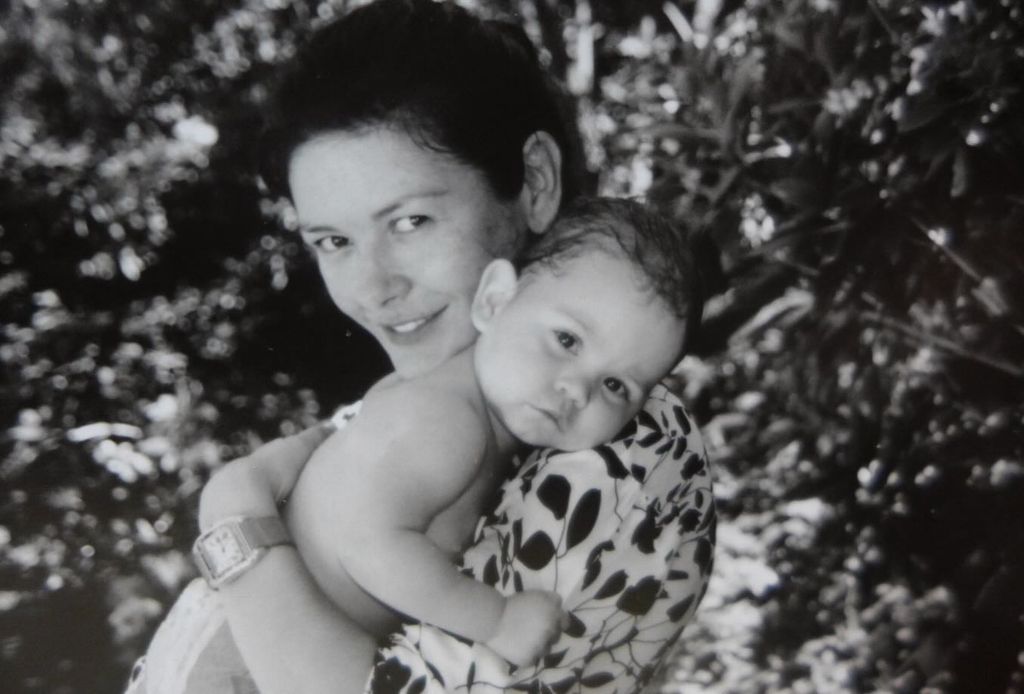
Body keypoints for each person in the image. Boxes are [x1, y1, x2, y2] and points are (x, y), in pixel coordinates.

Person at [125, 1, 716, 692]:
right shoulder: (453, 397)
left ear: (535, 182)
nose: (372, 288)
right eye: (333, 242)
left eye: (410, 221)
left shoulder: (624, 460)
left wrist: (235, 523)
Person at [138, 197, 700, 692]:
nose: (576, 389)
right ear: (496, 300)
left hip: (258, 627)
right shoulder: (449, 421)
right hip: (245, 659)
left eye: (616, 386)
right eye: (567, 339)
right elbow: (369, 545)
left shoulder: (452, 399)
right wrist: (495, 619)